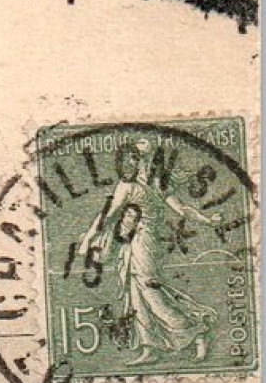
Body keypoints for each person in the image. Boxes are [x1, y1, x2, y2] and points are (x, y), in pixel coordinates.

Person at [74, 139, 222, 365]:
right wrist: (89, 238)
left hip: (147, 243)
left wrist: (209, 221)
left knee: (149, 290)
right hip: (132, 243)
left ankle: (195, 331)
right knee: (136, 294)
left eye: (142, 158)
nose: (138, 162)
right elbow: (108, 215)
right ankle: (150, 347)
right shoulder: (127, 186)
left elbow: (182, 210)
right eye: (134, 157)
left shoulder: (155, 185)